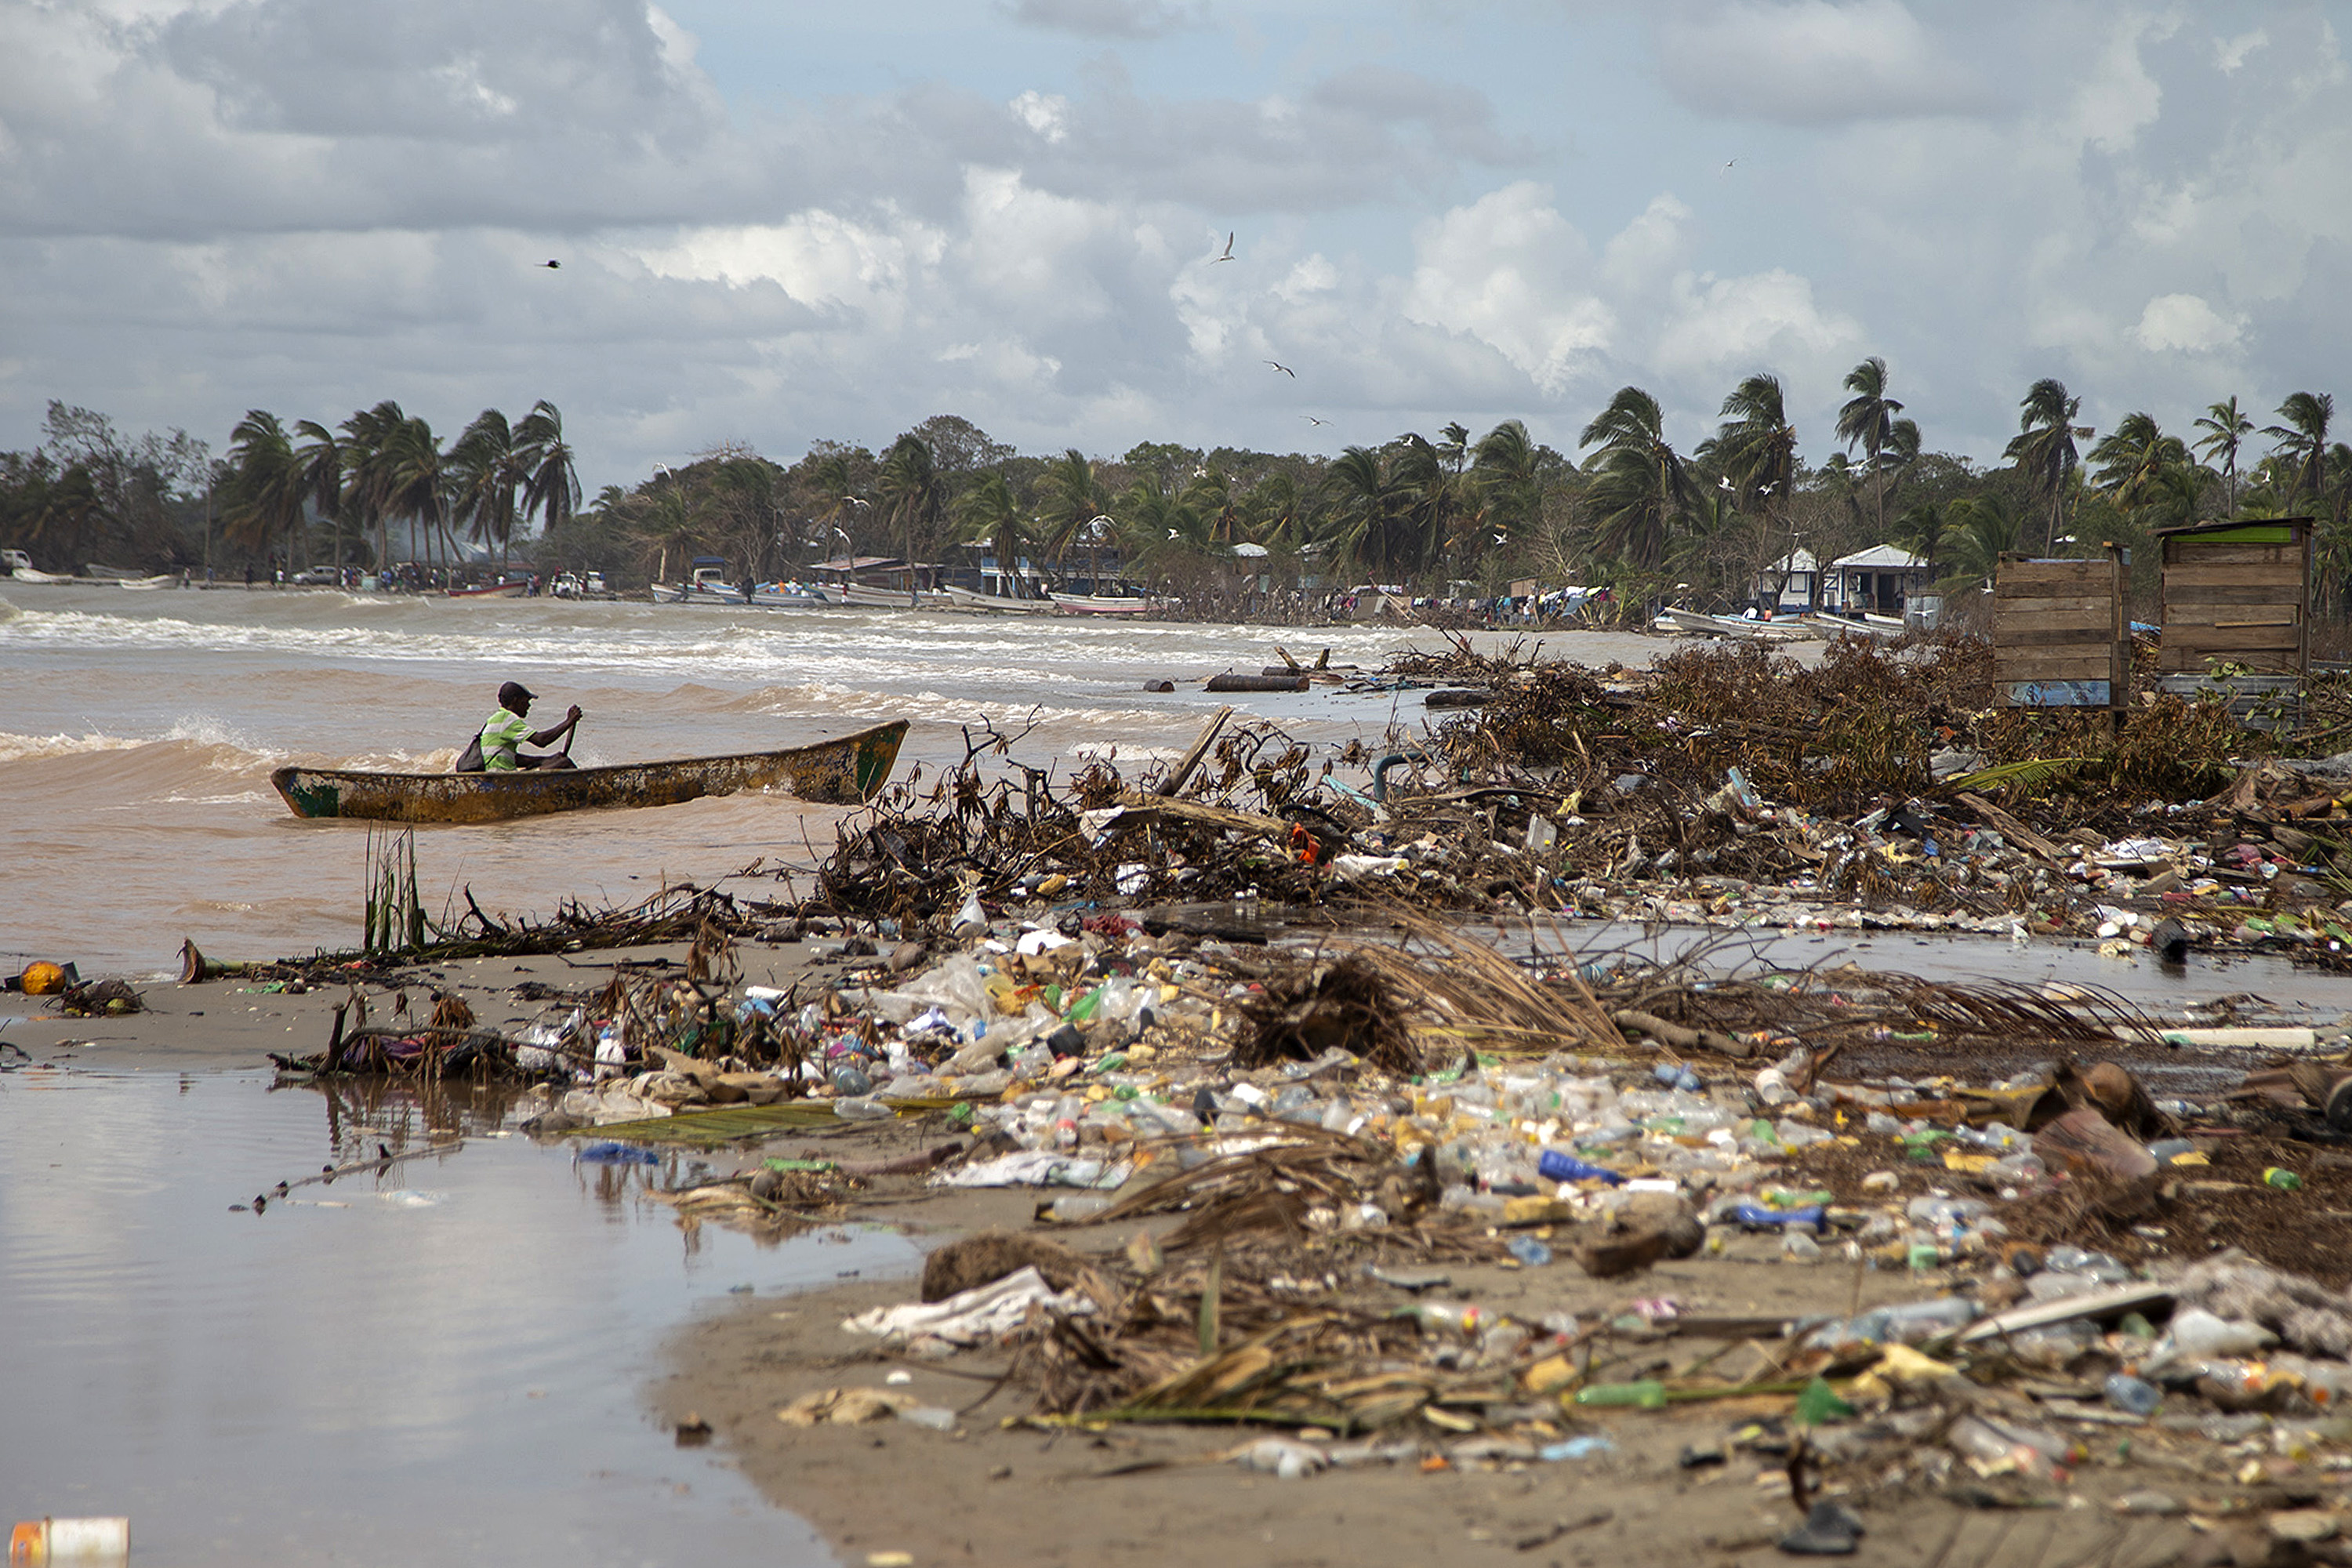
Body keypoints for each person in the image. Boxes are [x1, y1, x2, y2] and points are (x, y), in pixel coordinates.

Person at [471, 681, 581, 771]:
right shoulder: (508, 719)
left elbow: (514, 759)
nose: (529, 705)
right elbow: (542, 741)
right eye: (526, 701)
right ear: (516, 700)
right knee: (565, 763)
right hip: (502, 776)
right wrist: (569, 721)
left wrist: (547, 759)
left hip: (496, 775)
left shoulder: (494, 719)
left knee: (555, 762)